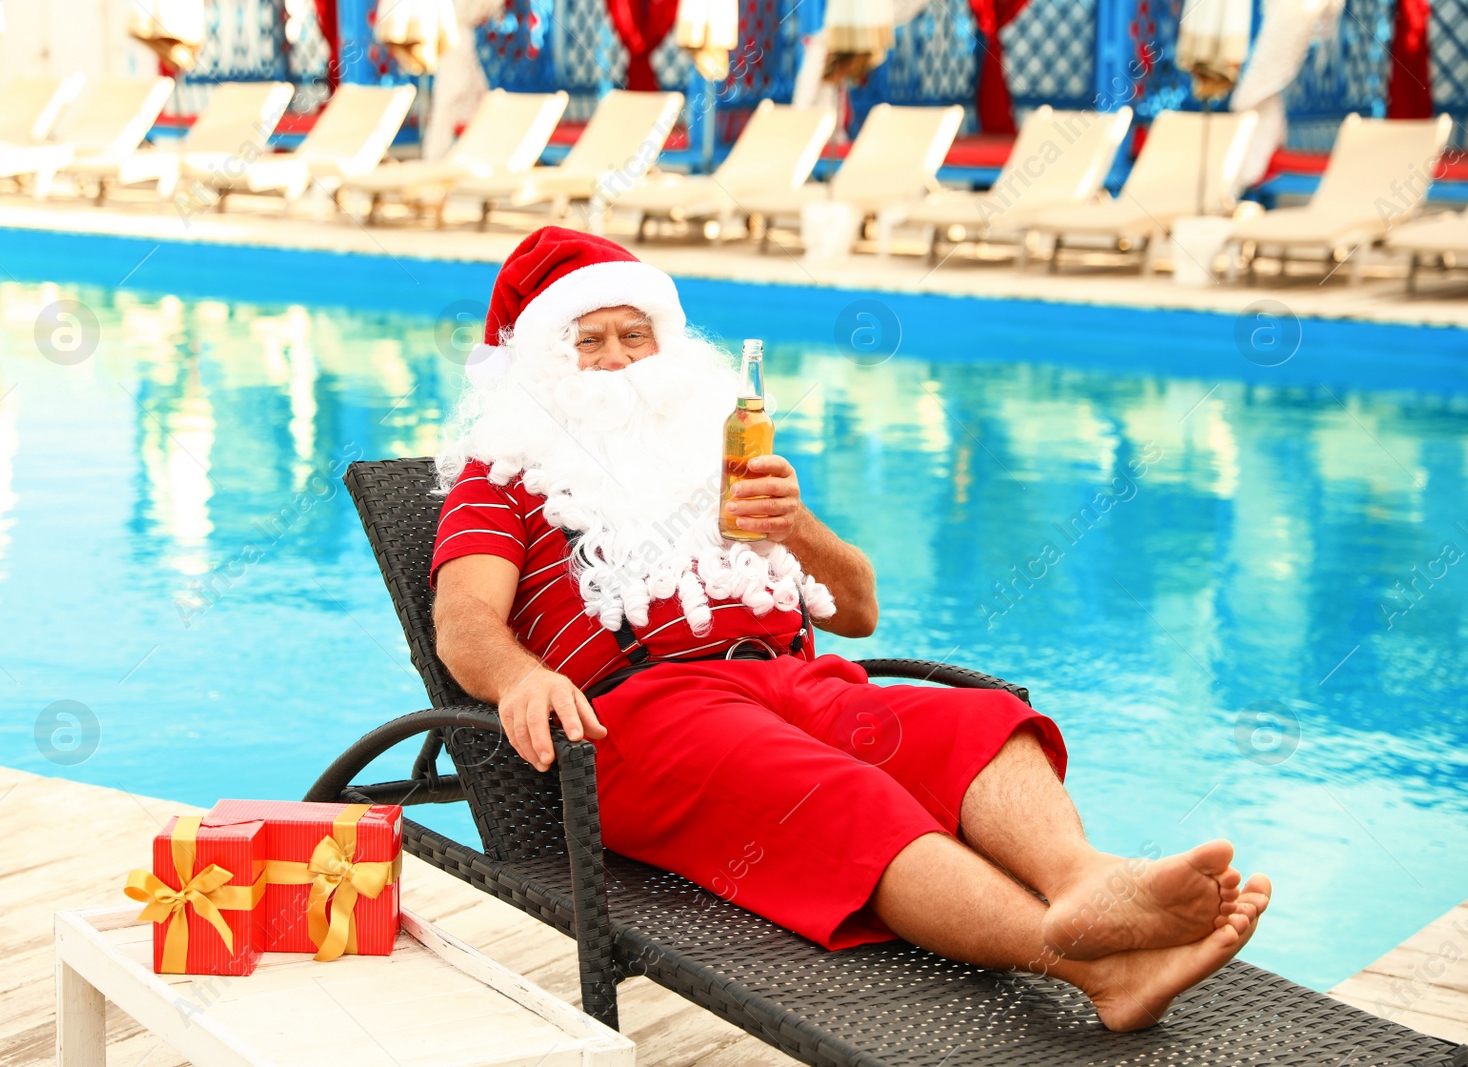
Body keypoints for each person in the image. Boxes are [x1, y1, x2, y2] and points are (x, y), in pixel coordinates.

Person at [429, 226, 1270, 1032]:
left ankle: (1086, 880)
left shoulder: (722, 459)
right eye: (588, 340)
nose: (617, 360)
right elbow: (463, 622)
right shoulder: (503, 476)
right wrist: (521, 676)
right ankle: (1097, 968)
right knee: (843, 796)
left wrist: (797, 527)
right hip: (646, 719)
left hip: (798, 685)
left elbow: (861, 609)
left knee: (974, 725)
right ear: (540, 366)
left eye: (634, 335)